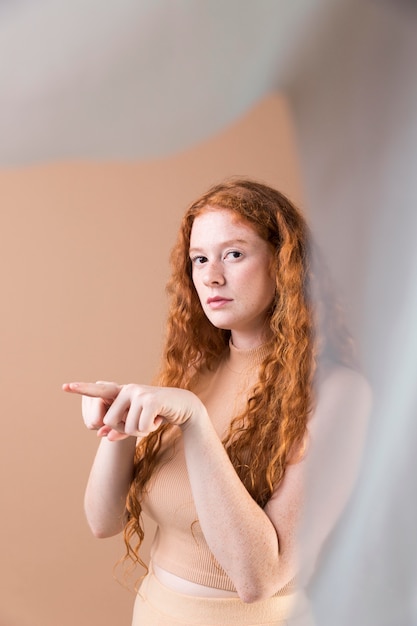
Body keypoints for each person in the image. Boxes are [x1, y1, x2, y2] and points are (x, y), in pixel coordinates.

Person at [63, 178, 370, 626]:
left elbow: (259, 579)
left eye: (234, 254)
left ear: (284, 264)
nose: (211, 276)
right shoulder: (196, 368)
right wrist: (119, 427)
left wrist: (195, 421)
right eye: (200, 259)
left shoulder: (340, 394)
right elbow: (101, 521)